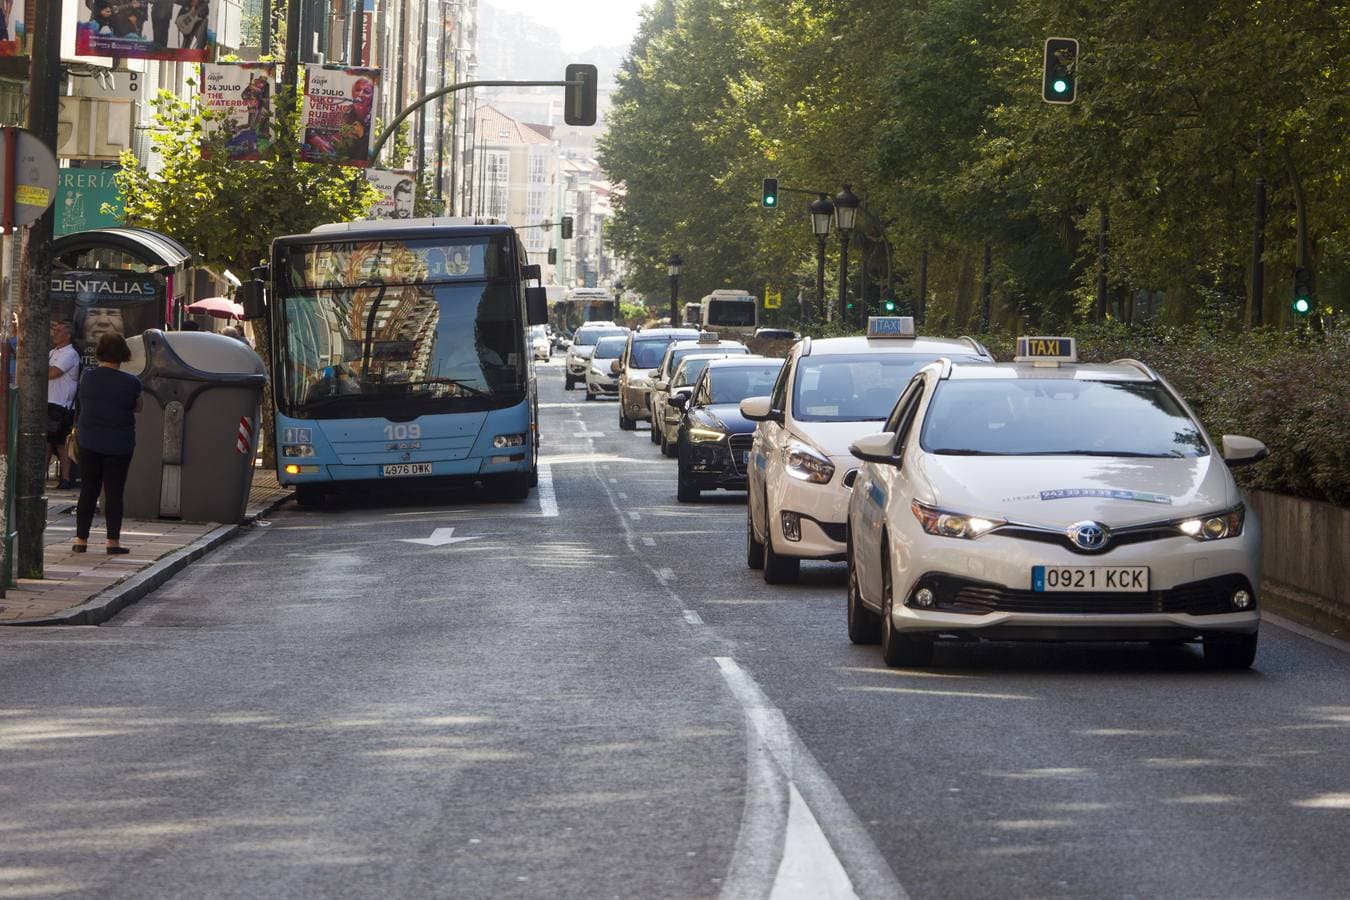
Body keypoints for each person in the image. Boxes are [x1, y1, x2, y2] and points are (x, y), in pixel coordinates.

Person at [73, 333, 143, 555]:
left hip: (88, 441)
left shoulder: (87, 377)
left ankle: (80, 540)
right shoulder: (132, 382)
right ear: (124, 354)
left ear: (100, 352)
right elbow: (138, 407)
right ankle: (112, 542)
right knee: (114, 493)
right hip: (119, 444)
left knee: (88, 490)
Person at [47, 321, 80, 490]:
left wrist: (39, 370)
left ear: (68, 335)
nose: (55, 333)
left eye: (59, 331)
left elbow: (53, 373)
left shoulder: (70, 354)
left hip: (60, 404)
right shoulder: (52, 352)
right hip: (48, 401)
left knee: (60, 444)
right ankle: (44, 478)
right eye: (55, 330)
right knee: (47, 442)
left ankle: (66, 479)